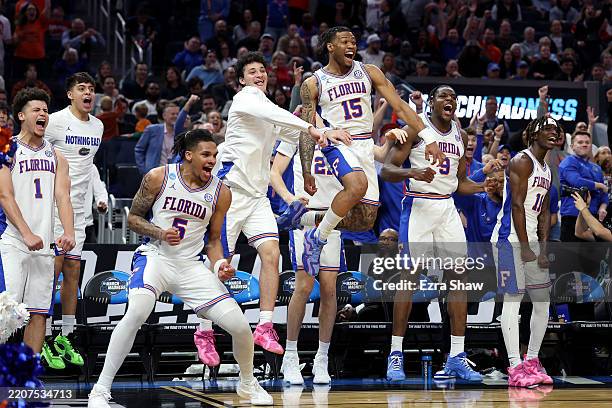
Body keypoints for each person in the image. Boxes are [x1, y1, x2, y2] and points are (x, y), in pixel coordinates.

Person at [87, 129, 272, 407]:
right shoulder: (158, 177)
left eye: (215, 155)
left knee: (241, 327)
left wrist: (220, 263)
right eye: (206, 154)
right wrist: (160, 232)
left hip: (190, 266)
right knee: (137, 311)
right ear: (189, 155)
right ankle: (100, 390)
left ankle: (247, 384)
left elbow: (213, 241)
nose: (213, 160)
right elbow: (134, 219)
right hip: (156, 257)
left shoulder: (221, 192)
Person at [297, 26, 444, 277]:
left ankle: (304, 220)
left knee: (364, 220)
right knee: (357, 185)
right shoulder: (313, 83)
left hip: (364, 146)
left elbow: (398, 105)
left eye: (354, 41)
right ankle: (317, 240)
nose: (351, 45)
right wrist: (306, 170)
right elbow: (307, 129)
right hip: (338, 142)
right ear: (330, 47)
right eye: (345, 41)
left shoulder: (369, 72)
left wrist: (428, 136)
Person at [212, 51, 329, 355]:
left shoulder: (265, 106)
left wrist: (310, 122)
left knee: (271, 254)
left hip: (256, 196)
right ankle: (204, 331)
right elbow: (282, 118)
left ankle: (264, 326)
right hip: (231, 192)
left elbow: (289, 129)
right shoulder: (245, 98)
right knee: (221, 264)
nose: (259, 75)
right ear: (241, 80)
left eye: (262, 70)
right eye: (252, 71)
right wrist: (310, 127)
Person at [271, 127, 408, 384]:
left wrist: (388, 139)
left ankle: (322, 358)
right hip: (306, 216)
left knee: (330, 290)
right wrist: (291, 199)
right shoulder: (296, 134)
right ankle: (290, 355)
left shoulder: (344, 137)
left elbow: (375, 154)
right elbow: (274, 173)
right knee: (303, 286)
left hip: (333, 219)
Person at [381, 85, 484, 382]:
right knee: (408, 281)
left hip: (447, 208)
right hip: (419, 206)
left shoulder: (460, 135)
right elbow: (386, 169)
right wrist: (412, 173)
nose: (449, 100)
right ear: (431, 102)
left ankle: (456, 355)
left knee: (458, 280)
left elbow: (459, 182)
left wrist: (481, 187)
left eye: (453, 97)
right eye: (443, 96)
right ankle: (396, 354)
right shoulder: (416, 128)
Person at [0, 88, 75, 357]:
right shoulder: (7, 150)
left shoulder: (56, 156)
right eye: (36, 109)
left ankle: (28, 375)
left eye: (45, 110)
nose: (43, 114)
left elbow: (63, 197)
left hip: (45, 246)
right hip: (12, 240)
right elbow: (5, 196)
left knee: (39, 313)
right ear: (21, 115)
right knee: (5, 313)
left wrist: (68, 231)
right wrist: (26, 232)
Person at [491, 116, 562, 387]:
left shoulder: (546, 168)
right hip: (509, 239)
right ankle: (514, 365)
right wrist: (524, 247)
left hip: (531, 240)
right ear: (533, 134)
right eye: (547, 129)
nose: (553, 133)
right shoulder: (522, 160)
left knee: (542, 303)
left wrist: (542, 248)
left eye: (555, 130)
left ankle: (532, 360)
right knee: (513, 300)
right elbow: (517, 206)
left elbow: (543, 211)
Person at [43, 72, 104, 367]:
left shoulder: (98, 126)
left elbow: (89, 166)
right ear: (70, 94)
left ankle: (65, 335)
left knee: (72, 272)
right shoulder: (54, 121)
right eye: (81, 88)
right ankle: (41, 335)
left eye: (91, 89)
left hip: (79, 212)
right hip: (53, 209)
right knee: (51, 272)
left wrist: (98, 196)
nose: (88, 93)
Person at [559, 131, 609, 241]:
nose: (584, 144)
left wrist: (603, 207)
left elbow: (604, 193)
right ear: (572, 146)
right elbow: (576, 181)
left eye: (587, 142)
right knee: (570, 257)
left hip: (593, 219)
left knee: (594, 257)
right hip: (572, 216)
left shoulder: (597, 168)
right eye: (580, 142)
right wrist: (598, 185)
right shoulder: (568, 162)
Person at [134, 103, 180, 174]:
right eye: (173, 114)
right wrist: (143, 170)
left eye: (177, 114)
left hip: (173, 175)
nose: (175, 116)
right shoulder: (152, 130)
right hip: (154, 173)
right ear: (164, 116)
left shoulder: (180, 133)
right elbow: (139, 150)